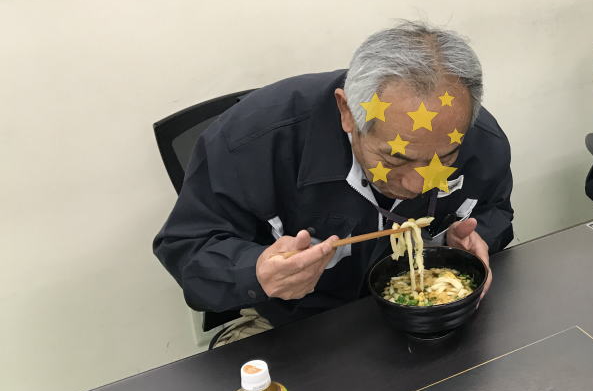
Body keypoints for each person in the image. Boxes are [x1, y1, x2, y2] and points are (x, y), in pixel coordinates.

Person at [154, 21, 514, 345]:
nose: (417, 184)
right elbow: (187, 246)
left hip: (424, 313)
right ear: (346, 113)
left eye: (444, 158)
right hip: (293, 323)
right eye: (394, 159)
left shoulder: (480, 140)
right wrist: (256, 272)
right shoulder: (253, 140)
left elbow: (495, 209)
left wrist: (475, 238)